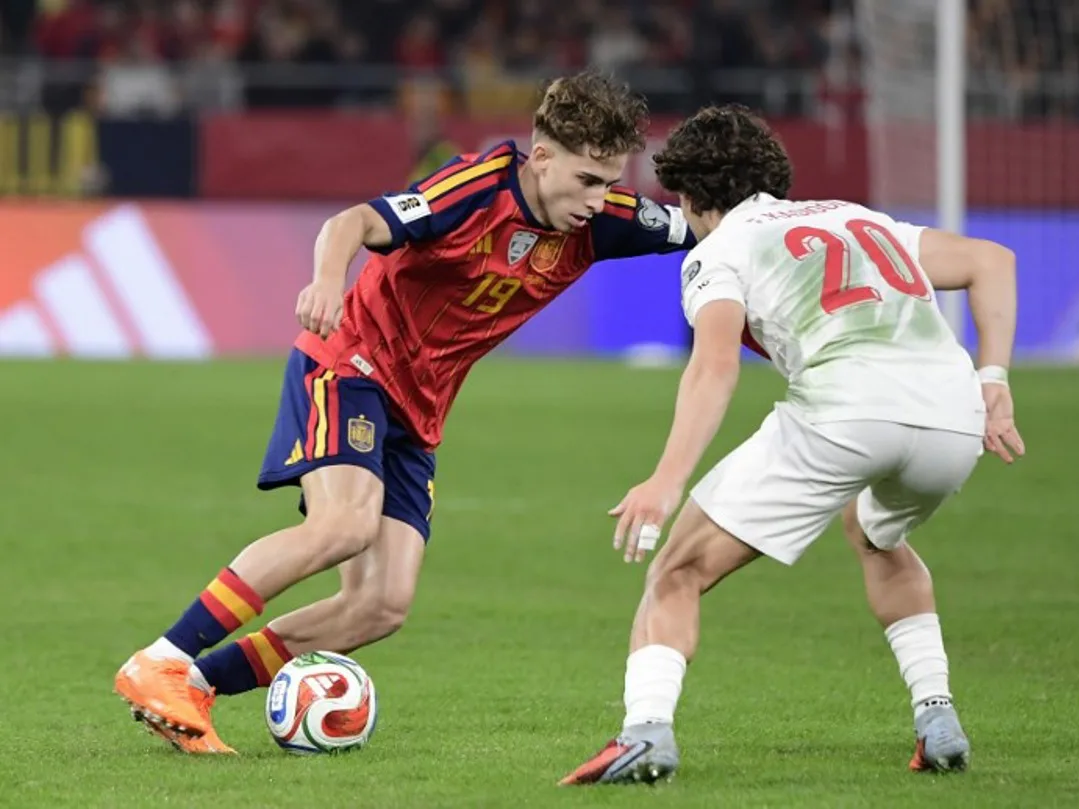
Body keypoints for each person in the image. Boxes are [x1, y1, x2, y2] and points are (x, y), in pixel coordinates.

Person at [113, 70, 694, 754]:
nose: (601, 199)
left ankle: (196, 686)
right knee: (345, 526)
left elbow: (712, 229)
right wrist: (328, 281)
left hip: (418, 408)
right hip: (350, 362)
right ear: (542, 158)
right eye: (588, 180)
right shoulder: (477, 190)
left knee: (381, 604)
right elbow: (351, 222)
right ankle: (160, 659)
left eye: (610, 181)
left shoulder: (605, 223)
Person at [559, 104, 1024, 785]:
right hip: (953, 419)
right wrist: (994, 377)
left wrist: (665, 478)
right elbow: (992, 259)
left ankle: (645, 733)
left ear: (689, 197)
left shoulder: (716, 250)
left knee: (679, 572)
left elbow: (714, 365)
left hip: (847, 413)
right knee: (875, 533)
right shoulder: (854, 216)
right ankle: (938, 716)